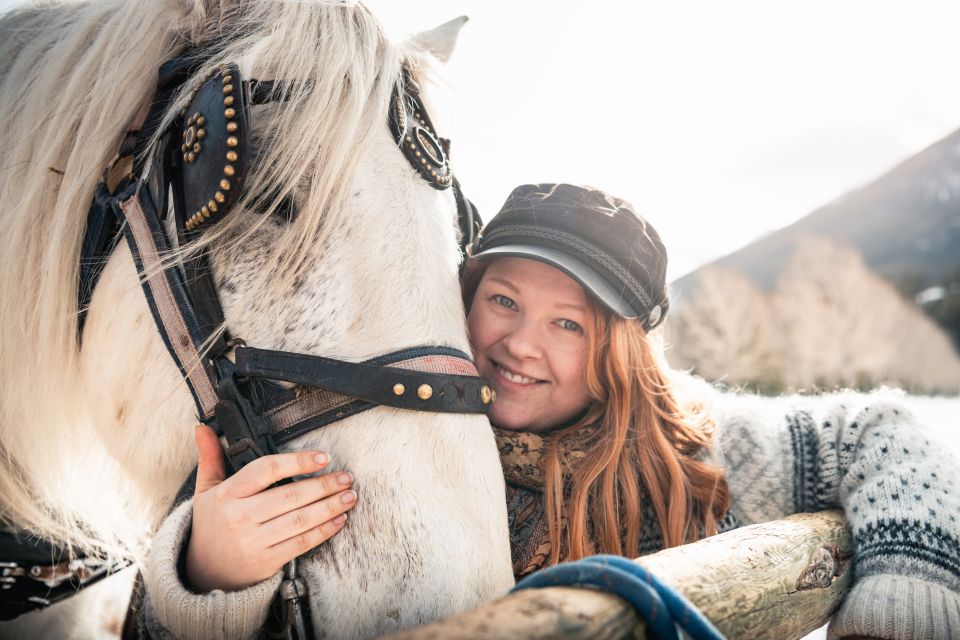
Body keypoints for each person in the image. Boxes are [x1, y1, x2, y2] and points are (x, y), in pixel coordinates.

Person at [135, 183, 959, 639]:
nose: (519, 345)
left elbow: (882, 431)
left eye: (569, 324)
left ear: (619, 349)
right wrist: (205, 574)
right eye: (502, 300)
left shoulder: (695, 447)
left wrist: (904, 609)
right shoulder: (368, 438)